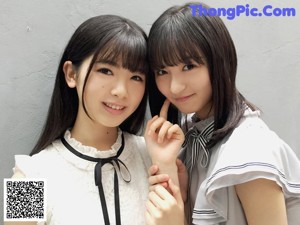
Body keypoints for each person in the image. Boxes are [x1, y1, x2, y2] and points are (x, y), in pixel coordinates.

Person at [144, 2, 300, 225]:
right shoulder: (190, 136)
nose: (175, 86)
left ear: (219, 60)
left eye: (188, 66)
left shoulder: (249, 149)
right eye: (162, 71)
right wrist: (167, 166)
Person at [8, 15, 151, 225]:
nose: (121, 91)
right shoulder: (27, 178)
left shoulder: (153, 157)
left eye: (136, 77)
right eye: (105, 71)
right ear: (71, 74)